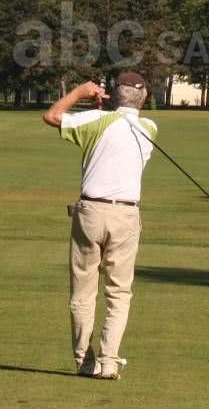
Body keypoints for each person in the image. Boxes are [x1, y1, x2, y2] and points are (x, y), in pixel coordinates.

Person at [42, 72, 156, 380]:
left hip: (90, 211)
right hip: (126, 215)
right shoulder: (149, 128)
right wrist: (110, 104)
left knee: (83, 291)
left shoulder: (94, 120)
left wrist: (80, 92)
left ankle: (84, 361)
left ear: (112, 96)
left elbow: (52, 115)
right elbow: (121, 119)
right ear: (144, 97)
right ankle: (108, 361)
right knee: (119, 292)